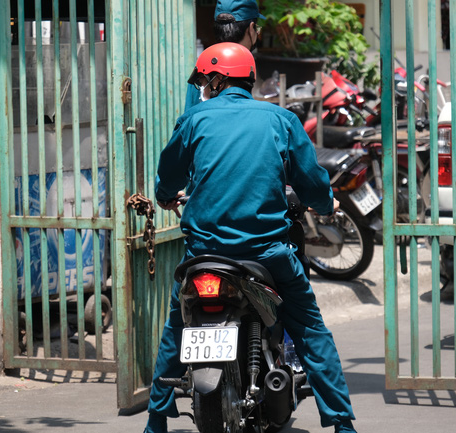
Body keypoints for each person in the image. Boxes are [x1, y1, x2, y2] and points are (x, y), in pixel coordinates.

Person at [144, 43, 357, 433]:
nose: (204, 87)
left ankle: (156, 421)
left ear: (215, 79)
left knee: (177, 328)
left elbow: (168, 178)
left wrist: (163, 196)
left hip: (204, 256)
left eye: (205, 81)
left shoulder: (194, 119)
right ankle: (342, 424)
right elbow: (312, 183)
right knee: (310, 330)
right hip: (265, 254)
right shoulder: (280, 119)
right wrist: (322, 203)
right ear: (249, 79)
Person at [184, 0, 264, 111]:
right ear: (251, 29)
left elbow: (188, 121)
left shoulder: (202, 69)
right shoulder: (249, 68)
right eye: (257, 28)